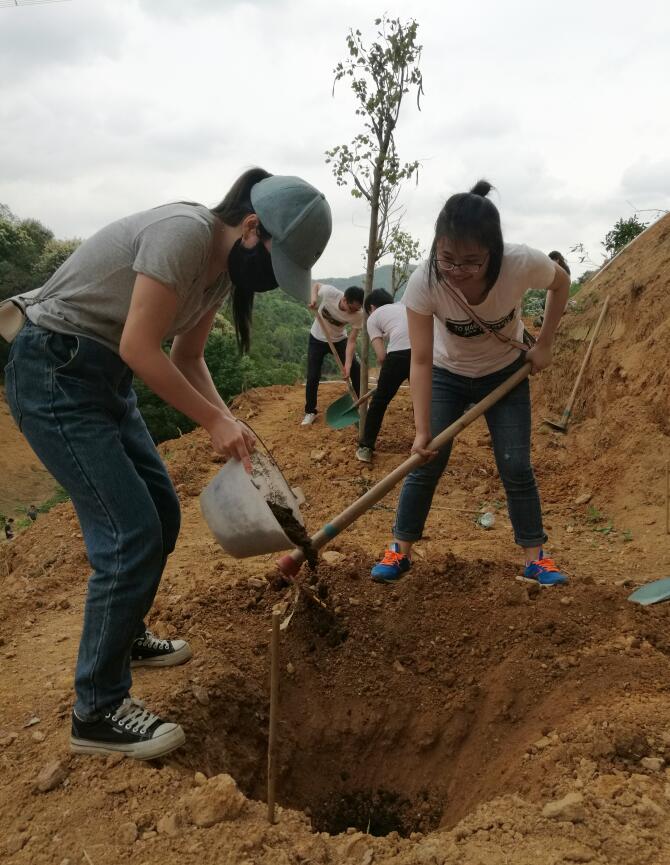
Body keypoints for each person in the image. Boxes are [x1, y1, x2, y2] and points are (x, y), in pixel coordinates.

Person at [2, 168, 331, 759]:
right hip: (55, 370)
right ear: (251, 228)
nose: (268, 281)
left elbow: (188, 356)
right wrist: (212, 422)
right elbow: (139, 345)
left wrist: (229, 420)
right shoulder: (184, 234)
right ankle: (97, 710)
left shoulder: (220, 273)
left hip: (105, 379)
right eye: (274, 264)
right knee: (130, 534)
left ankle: (123, 636)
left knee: (162, 512)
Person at [370, 180, 570, 586]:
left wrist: (545, 344)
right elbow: (420, 359)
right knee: (426, 460)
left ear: (493, 252)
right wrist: (422, 430)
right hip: (447, 374)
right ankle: (399, 550)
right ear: (437, 247)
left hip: (506, 373)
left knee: (515, 465)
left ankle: (536, 558)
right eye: (447, 259)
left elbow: (561, 282)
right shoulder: (425, 282)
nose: (456, 271)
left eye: (471, 262)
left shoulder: (520, 263)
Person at [355, 289, 411, 463]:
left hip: (399, 355)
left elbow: (381, 356)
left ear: (371, 307)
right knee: (422, 400)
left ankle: (366, 447)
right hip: (426, 351)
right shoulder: (403, 306)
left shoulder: (373, 318)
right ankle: (429, 444)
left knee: (379, 401)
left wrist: (386, 375)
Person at [301, 283, 364, 426]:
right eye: (352, 308)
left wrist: (347, 365)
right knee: (313, 375)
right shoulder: (330, 293)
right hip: (317, 338)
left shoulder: (358, 315)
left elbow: (352, 341)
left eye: (357, 309)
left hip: (339, 340)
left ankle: (360, 404)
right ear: (344, 299)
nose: (354, 312)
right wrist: (314, 300)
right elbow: (316, 286)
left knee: (355, 368)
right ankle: (310, 411)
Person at [534, 251, 570, 326]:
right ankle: (545, 318)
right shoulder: (563, 270)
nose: (550, 263)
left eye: (551, 260)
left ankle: (546, 319)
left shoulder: (562, 271)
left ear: (557, 260)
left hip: (560, 295)